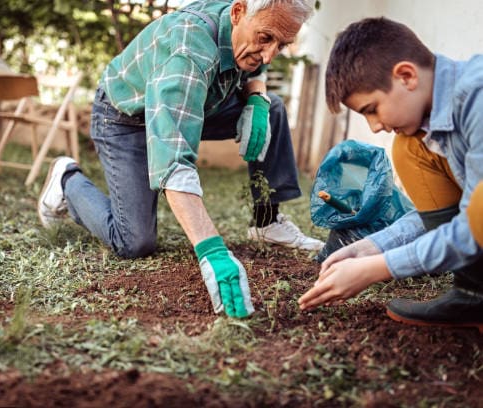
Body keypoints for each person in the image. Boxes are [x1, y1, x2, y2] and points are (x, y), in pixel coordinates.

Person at [38, 0, 322, 318]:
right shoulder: (190, 48)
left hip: (197, 104)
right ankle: (67, 180)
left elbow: (260, 61)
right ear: (238, 12)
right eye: (266, 39)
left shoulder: (253, 21)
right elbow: (174, 160)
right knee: (134, 242)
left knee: (272, 109)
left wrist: (256, 97)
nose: (269, 55)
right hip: (126, 118)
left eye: (281, 45)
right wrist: (211, 250)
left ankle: (267, 221)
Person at [298, 17, 483, 332]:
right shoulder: (436, 122)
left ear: (406, 76)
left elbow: (472, 225)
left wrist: (376, 269)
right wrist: (372, 247)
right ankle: (474, 295)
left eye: (372, 109)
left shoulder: (477, 97)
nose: (375, 126)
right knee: (409, 148)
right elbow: (450, 219)